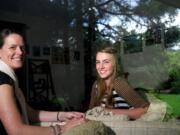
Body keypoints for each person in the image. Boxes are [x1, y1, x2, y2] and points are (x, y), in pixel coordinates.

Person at [0, 29, 86, 135]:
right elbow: (16, 131)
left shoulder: (9, 78)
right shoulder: (3, 82)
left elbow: (31, 114)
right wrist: (62, 128)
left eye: (22, 48)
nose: (20, 52)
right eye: (12, 47)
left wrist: (64, 115)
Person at [89, 46, 150, 120]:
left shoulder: (118, 83)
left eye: (106, 62)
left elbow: (145, 110)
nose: (101, 67)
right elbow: (91, 111)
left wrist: (109, 111)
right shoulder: (96, 85)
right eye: (98, 62)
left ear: (115, 65)